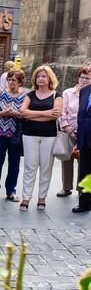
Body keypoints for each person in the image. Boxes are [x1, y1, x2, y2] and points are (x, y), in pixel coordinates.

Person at [19, 65, 63, 211]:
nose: (41, 79)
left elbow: (55, 115)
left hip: (49, 136)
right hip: (29, 134)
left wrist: (33, 115)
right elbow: (22, 112)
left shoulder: (57, 95)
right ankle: (26, 198)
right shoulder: (30, 95)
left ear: (49, 78)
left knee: (46, 168)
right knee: (29, 167)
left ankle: (42, 198)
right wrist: (46, 113)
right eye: (38, 76)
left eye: (44, 76)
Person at [0, 69, 27, 202]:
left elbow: (27, 114)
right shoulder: (0, 93)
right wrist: (4, 113)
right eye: (9, 80)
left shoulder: (26, 96)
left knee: (14, 163)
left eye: (14, 80)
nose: (11, 82)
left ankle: (11, 190)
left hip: (16, 135)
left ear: (20, 82)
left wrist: (17, 114)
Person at [57, 67, 91, 197]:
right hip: (69, 131)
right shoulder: (68, 93)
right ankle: (66, 187)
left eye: (87, 78)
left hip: (85, 133)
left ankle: (81, 189)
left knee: (84, 163)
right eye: (82, 77)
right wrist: (67, 128)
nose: (84, 80)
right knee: (67, 159)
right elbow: (62, 111)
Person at [74, 68, 91, 213]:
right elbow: (81, 117)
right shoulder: (84, 91)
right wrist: (78, 142)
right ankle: (84, 203)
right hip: (85, 139)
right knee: (85, 172)